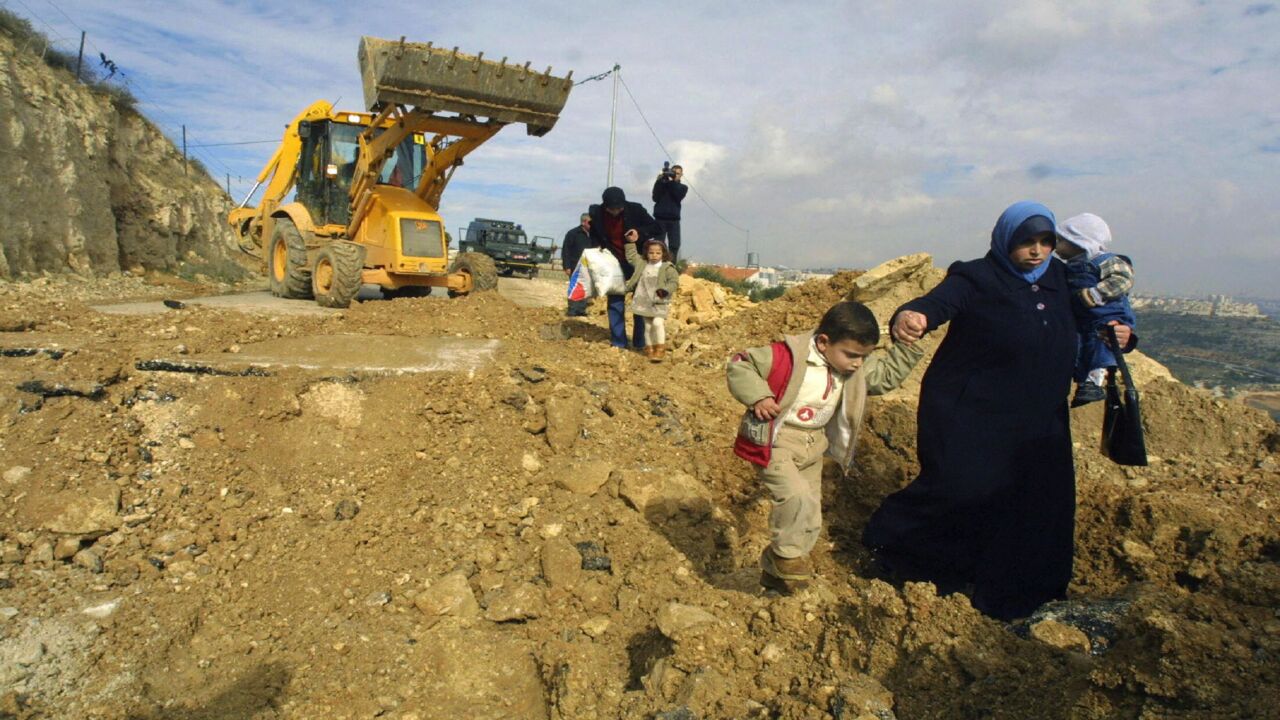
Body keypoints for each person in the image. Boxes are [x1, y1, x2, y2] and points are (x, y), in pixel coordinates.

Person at [862, 201, 1135, 621]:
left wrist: (1124, 335)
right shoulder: (977, 276)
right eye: (1027, 241)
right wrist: (912, 316)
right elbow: (937, 303)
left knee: (1038, 503)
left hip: (1039, 419)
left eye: (1046, 241)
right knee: (959, 489)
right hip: (971, 412)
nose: (1038, 251)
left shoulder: (1064, 278)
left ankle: (1020, 595)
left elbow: (1100, 316)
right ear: (1006, 239)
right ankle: (897, 551)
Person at [727, 301, 924, 592]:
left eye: (863, 357)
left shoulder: (851, 369)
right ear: (823, 341)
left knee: (811, 513)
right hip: (777, 441)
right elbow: (740, 363)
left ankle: (775, 573)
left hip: (813, 444)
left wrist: (906, 349)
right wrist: (759, 396)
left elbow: (883, 378)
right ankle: (786, 557)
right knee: (795, 498)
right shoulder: (787, 357)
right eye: (852, 355)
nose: (858, 363)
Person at [1054, 213, 1137, 407]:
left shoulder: (1105, 261)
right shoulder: (1070, 266)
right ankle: (1084, 381)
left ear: (1080, 241)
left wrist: (1095, 295)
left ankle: (1093, 382)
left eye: (1061, 241)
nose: (1056, 246)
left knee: (1099, 345)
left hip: (1106, 315)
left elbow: (1123, 280)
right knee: (1082, 347)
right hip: (1085, 319)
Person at [588, 186, 663, 349]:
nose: (615, 212)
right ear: (605, 206)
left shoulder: (635, 210)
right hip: (613, 264)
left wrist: (639, 233)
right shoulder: (597, 214)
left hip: (637, 262)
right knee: (615, 303)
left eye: (618, 209)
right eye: (611, 209)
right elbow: (594, 236)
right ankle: (618, 342)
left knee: (641, 302)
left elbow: (657, 228)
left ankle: (640, 342)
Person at [623, 238, 680, 362]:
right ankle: (650, 349)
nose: (654, 256)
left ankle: (660, 349)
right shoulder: (642, 264)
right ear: (646, 253)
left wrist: (665, 290)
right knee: (648, 327)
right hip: (644, 300)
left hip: (659, 301)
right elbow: (632, 256)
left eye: (658, 253)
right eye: (651, 252)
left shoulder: (667, 268)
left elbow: (674, 282)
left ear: (663, 254)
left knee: (657, 323)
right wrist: (630, 242)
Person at [652, 164, 687, 262]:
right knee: (658, 245)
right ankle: (658, 266)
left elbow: (678, 195)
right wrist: (659, 181)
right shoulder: (662, 184)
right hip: (660, 219)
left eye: (678, 174)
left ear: (681, 175)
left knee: (674, 245)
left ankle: (670, 268)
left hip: (674, 220)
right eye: (673, 173)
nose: (675, 175)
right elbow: (655, 197)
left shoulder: (683, 187)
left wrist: (672, 181)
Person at [562, 213, 592, 317]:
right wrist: (567, 266)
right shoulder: (573, 234)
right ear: (583, 222)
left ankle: (581, 310)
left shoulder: (593, 235)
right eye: (590, 222)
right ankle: (572, 310)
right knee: (575, 288)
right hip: (575, 267)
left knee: (585, 288)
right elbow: (566, 250)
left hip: (588, 267)